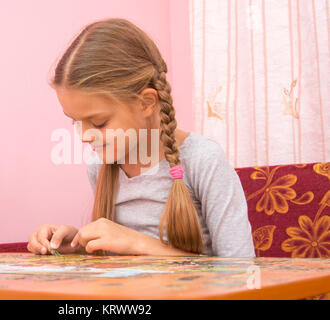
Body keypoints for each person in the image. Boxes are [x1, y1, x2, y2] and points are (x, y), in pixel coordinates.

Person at [27, 18, 255, 257]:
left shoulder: (202, 160)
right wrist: (78, 247)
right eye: (75, 121)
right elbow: (120, 266)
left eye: (98, 123)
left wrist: (140, 244)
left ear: (146, 103)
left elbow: (241, 271)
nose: (84, 136)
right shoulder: (99, 166)